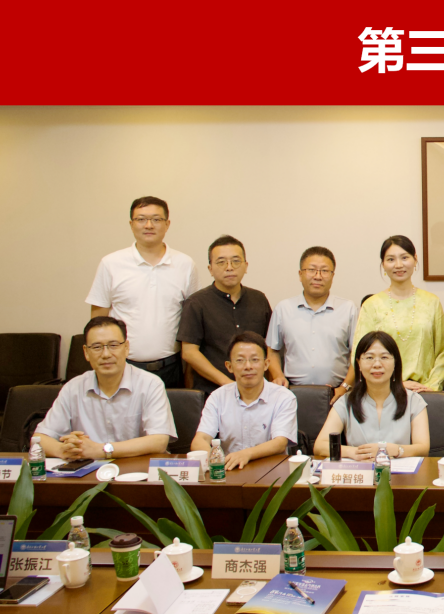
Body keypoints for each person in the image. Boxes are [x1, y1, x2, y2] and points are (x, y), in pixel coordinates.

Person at [86, 196, 197, 388]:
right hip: (122, 367)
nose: (149, 225)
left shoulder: (185, 265)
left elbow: (193, 321)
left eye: (156, 219)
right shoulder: (111, 264)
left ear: (167, 224)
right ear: (131, 224)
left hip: (170, 368)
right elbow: (98, 320)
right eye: (141, 219)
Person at [34, 316, 176, 459]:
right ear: (86, 352)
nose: (106, 354)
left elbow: (159, 441)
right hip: (88, 469)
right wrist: (64, 450)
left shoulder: (150, 384)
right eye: (97, 347)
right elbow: (39, 439)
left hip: (136, 469)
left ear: (126, 348)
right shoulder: (73, 388)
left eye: (113, 345)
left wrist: (102, 450)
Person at [353, 236, 444, 395]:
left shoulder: (431, 302)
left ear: (415, 259)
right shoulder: (371, 305)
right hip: (384, 393)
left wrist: (431, 386)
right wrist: (395, 384)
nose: (398, 265)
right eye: (391, 259)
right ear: (383, 265)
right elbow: (360, 355)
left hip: (425, 392)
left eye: (404, 257)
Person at [312, 331, 431, 460]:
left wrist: (396, 450)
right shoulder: (346, 402)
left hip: (400, 471)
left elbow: (423, 448)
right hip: (361, 470)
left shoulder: (414, 401)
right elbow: (320, 446)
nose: (377, 364)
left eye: (384, 357)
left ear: (395, 363)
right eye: (369, 358)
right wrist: (354, 452)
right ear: (359, 364)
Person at [178, 235, 273, 396]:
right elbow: (189, 352)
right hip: (212, 392)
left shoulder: (259, 299)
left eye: (236, 261)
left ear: (246, 266)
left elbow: (269, 345)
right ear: (210, 269)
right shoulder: (196, 303)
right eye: (221, 262)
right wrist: (227, 383)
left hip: (256, 391)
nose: (229, 267)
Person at [191, 331, 297, 470]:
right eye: (240, 360)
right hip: (230, 471)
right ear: (229, 366)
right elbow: (200, 440)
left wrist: (246, 454)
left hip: (272, 473)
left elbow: (280, 443)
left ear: (266, 364)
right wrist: (214, 460)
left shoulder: (283, 397)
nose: (248, 366)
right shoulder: (217, 397)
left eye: (254, 360)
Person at [265, 246, 358, 401]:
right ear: (300, 274)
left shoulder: (348, 309)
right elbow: (272, 350)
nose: (318, 276)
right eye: (312, 270)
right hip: (292, 393)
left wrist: (344, 388)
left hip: (337, 394)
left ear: (332, 276)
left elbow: (358, 354)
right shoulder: (283, 308)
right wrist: (278, 376)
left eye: (324, 271)